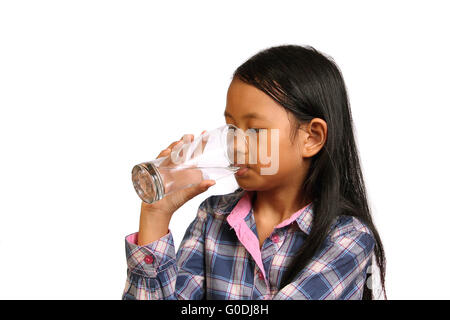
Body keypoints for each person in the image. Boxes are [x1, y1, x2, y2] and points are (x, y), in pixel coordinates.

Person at [122, 44, 386, 300]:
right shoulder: (212, 218)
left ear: (312, 138)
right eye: (231, 127)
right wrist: (156, 215)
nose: (235, 144)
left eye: (255, 131)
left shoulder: (347, 237)